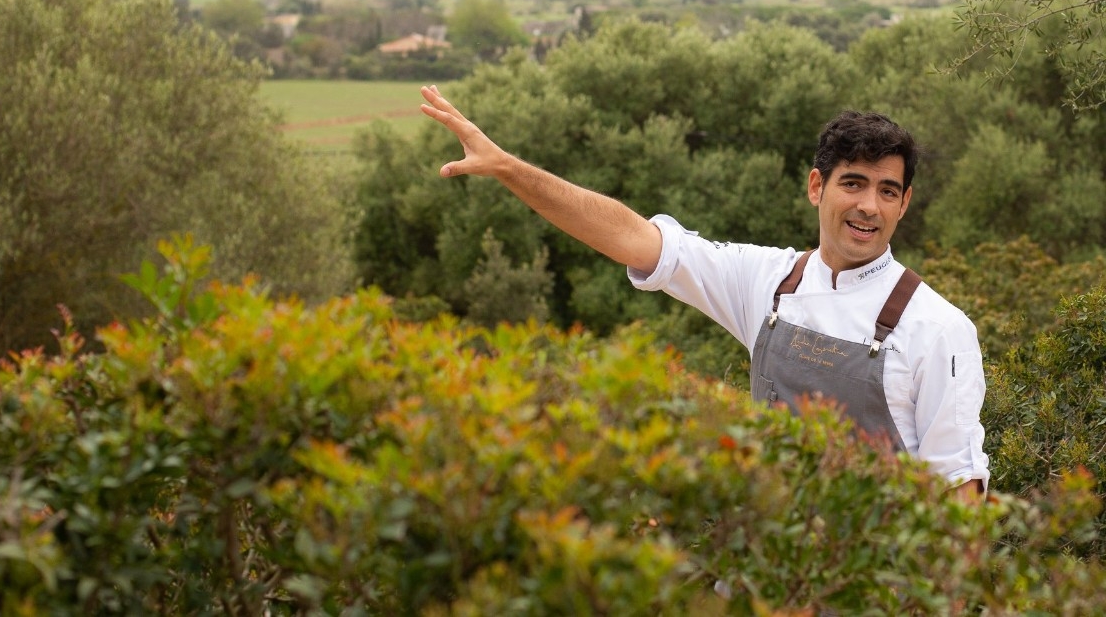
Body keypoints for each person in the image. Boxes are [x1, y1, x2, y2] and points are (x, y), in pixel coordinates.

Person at [419, 84, 988, 498]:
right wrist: (508, 168)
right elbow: (631, 237)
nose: (869, 206)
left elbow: (960, 495)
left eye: (888, 191)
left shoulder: (937, 329)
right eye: (854, 184)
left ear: (905, 204)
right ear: (817, 187)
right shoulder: (766, 282)